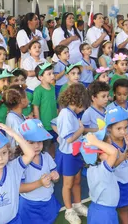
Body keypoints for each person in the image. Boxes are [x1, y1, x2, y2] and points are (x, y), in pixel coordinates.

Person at [56, 84, 91, 223]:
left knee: (77, 181)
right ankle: (69, 210)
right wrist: (81, 130)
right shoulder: (65, 114)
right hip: (68, 155)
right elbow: (69, 138)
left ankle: (77, 204)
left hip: (76, 153)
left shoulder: (72, 113)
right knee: (68, 184)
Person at [17, 119, 61, 224]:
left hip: (48, 201)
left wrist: (55, 176)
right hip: (30, 206)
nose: (37, 146)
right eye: (31, 142)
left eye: (39, 141)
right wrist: (40, 183)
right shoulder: (20, 163)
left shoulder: (46, 156)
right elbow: (20, 188)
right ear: (22, 143)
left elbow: (54, 174)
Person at [104, 105, 128, 224]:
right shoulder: (106, 144)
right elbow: (108, 167)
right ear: (109, 129)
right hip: (113, 184)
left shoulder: (127, 140)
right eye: (119, 128)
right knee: (111, 209)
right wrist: (121, 158)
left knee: (124, 208)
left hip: (127, 181)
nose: (123, 131)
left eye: (125, 127)